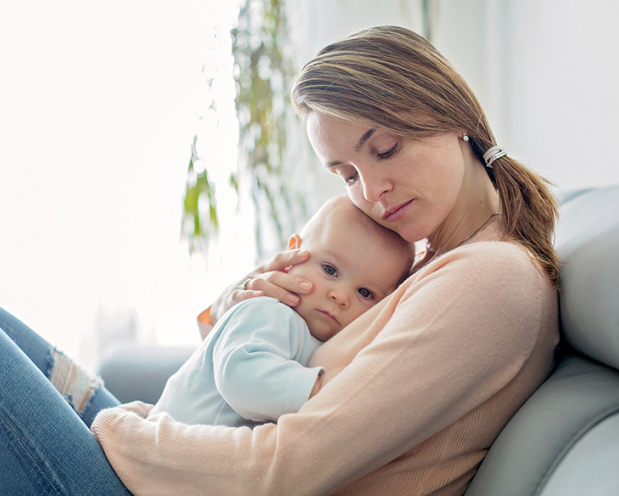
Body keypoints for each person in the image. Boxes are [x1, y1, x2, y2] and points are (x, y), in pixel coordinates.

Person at [0, 26, 560, 496]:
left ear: (452, 112)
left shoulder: (490, 280)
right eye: (345, 175)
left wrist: (117, 428)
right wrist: (233, 311)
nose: (373, 190)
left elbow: (284, 466)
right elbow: (262, 383)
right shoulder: (433, 261)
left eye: (385, 149)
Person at [149, 195, 413, 427]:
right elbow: (239, 377)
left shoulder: (332, 339)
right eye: (330, 270)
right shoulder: (270, 311)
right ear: (293, 252)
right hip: (153, 449)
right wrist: (319, 388)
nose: (341, 296)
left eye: (365, 293)